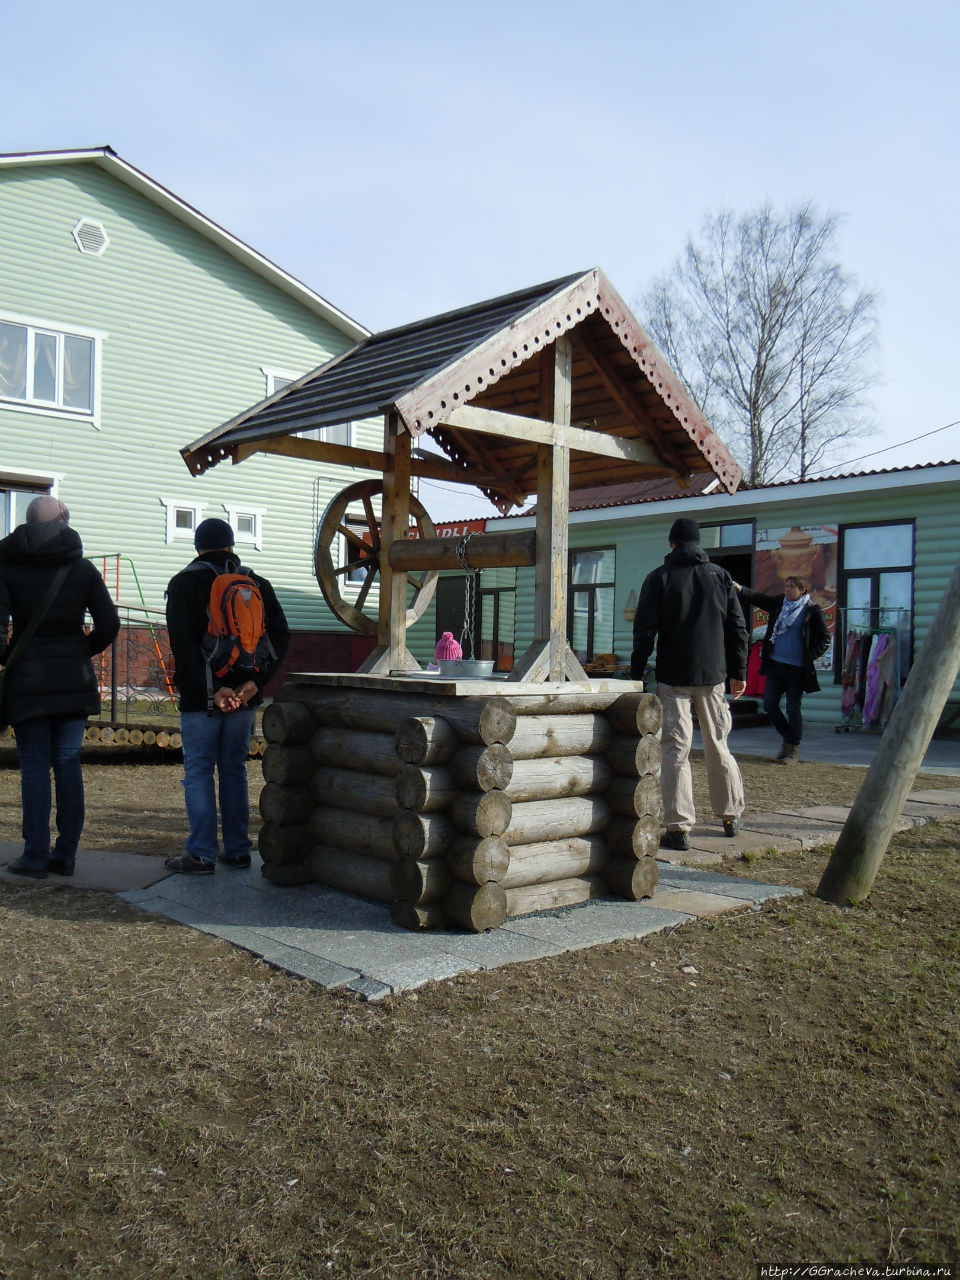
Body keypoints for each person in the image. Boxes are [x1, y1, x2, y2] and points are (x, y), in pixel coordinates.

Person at [0, 496, 120, 879]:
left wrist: (8, 658)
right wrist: (81, 650)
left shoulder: (7, 565)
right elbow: (110, 624)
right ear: (63, 523)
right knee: (68, 765)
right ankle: (65, 855)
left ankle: (34, 857)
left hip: (27, 678)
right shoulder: (82, 568)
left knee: (34, 768)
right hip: (72, 678)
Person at [164, 518, 289, 874]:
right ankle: (237, 850)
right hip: (245, 697)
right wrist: (255, 684)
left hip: (201, 699)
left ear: (198, 547)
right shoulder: (257, 583)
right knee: (233, 770)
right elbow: (280, 637)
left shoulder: (184, 583)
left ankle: (201, 854)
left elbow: (185, 648)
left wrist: (211, 690)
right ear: (232, 546)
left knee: (199, 771)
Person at [630, 517, 748, 852]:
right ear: (698, 544)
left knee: (675, 750)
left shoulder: (659, 578)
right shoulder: (720, 577)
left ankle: (679, 827)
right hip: (713, 677)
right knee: (718, 744)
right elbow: (738, 629)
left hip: (673, 678)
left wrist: (637, 672)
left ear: (671, 544)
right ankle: (731, 816)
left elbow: (644, 630)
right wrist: (739, 671)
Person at [733, 575, 831, 764]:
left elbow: (824, 638)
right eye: (786, 586)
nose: (787, 590)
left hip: (797, 668)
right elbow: (760, 598)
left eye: (792, 587)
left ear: (802, 590)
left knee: (793, 708)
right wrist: (740, 589)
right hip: (776, 664)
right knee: (769, 704)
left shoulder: (812, 610)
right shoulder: (779, 604)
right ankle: (788, 738)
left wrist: (809, 655)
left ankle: (792, 749)